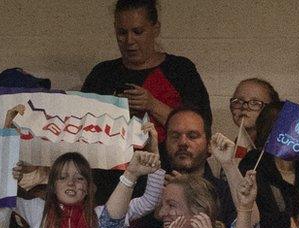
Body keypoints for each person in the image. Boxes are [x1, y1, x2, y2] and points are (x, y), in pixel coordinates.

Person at [81, 0, 209, 131]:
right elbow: (80, 123)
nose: (129, 41)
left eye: (138, 32)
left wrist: (153, 105)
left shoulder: (180, 70)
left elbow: (202, 129)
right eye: (122, 33)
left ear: (155, 29)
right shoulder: (102, 74)